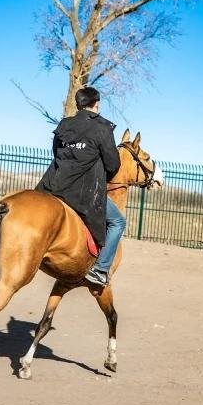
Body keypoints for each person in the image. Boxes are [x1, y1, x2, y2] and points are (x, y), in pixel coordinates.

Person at [36, 86, 126, 286]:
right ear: (97, 104)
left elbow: (57, 154)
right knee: (118, 222)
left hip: (52, 186)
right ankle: (100, 270)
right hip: (83, 192)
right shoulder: (102, 128)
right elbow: (112, 164)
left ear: (78, 104)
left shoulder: (64, 125)